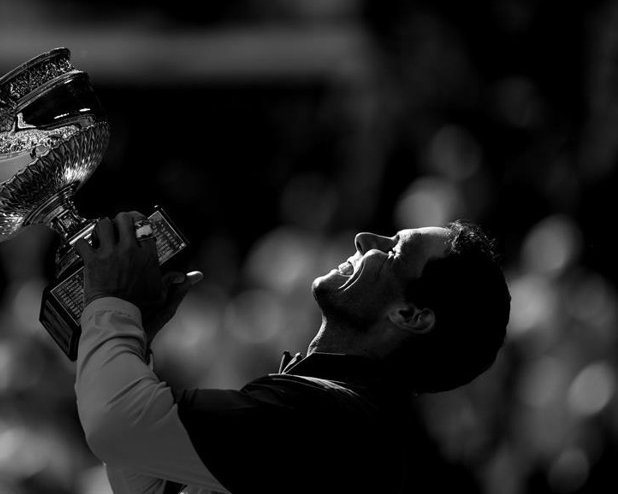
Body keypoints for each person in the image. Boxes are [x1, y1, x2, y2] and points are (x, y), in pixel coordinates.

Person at [73, 211, 511, 493]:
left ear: (411, 315)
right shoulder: (348, 418)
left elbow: (117, 426)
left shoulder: (330, 419)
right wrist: (130, 332)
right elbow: (143, 458)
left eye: (393, 249)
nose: (363, 238)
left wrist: (112, 304)